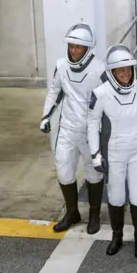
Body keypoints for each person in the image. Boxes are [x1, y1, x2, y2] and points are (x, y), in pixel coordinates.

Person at [87, 44, 137, 258]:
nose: (125, 74)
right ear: (111, 72)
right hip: (114, 152)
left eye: (128, 69)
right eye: (120, 70)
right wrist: (96, 154)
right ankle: (117, 236)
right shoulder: (100, 93)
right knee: (116, 195)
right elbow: (93, 124)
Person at [39, 23, 105, 235]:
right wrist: (46, 116)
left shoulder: (100, 69)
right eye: (71, 46)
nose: (73, 50)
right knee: (64, 172)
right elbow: (54, 92)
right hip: (67, 129)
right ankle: (72, 212)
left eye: (78, 47)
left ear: (87, 48)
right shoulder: (62, 66)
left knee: (94, 174)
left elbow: (108, 101)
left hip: (91, 132)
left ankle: (94, 215)